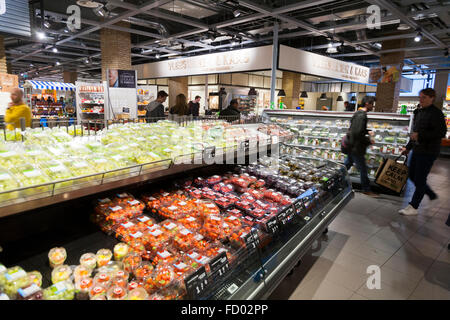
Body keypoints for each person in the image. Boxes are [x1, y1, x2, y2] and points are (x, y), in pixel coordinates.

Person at [399, 88, 447, 216]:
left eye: (424, 97)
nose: (421, 100)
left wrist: (420, 136)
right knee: (412, 176)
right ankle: (430, 193)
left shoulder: (436, 113)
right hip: (417, 149)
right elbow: (415, 132)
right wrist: (408, 147)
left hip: (428, 151)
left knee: (420, 178)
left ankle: (414, 206)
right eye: (420, 97)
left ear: (432, 98)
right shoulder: (419, 112)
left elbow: (441, 132)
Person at [344, 96, 378, 197]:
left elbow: (356, 129)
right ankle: (366, 189)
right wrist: (368, 140)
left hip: (352, 145)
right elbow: (357, 132)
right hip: (356, 147)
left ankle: (334, 181)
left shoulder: (358, 113)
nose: (373, 106)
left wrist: (367, 131)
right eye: (372, 104)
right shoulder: (362, 115)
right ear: (367, 103)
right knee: (363, 169)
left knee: (346, 166)